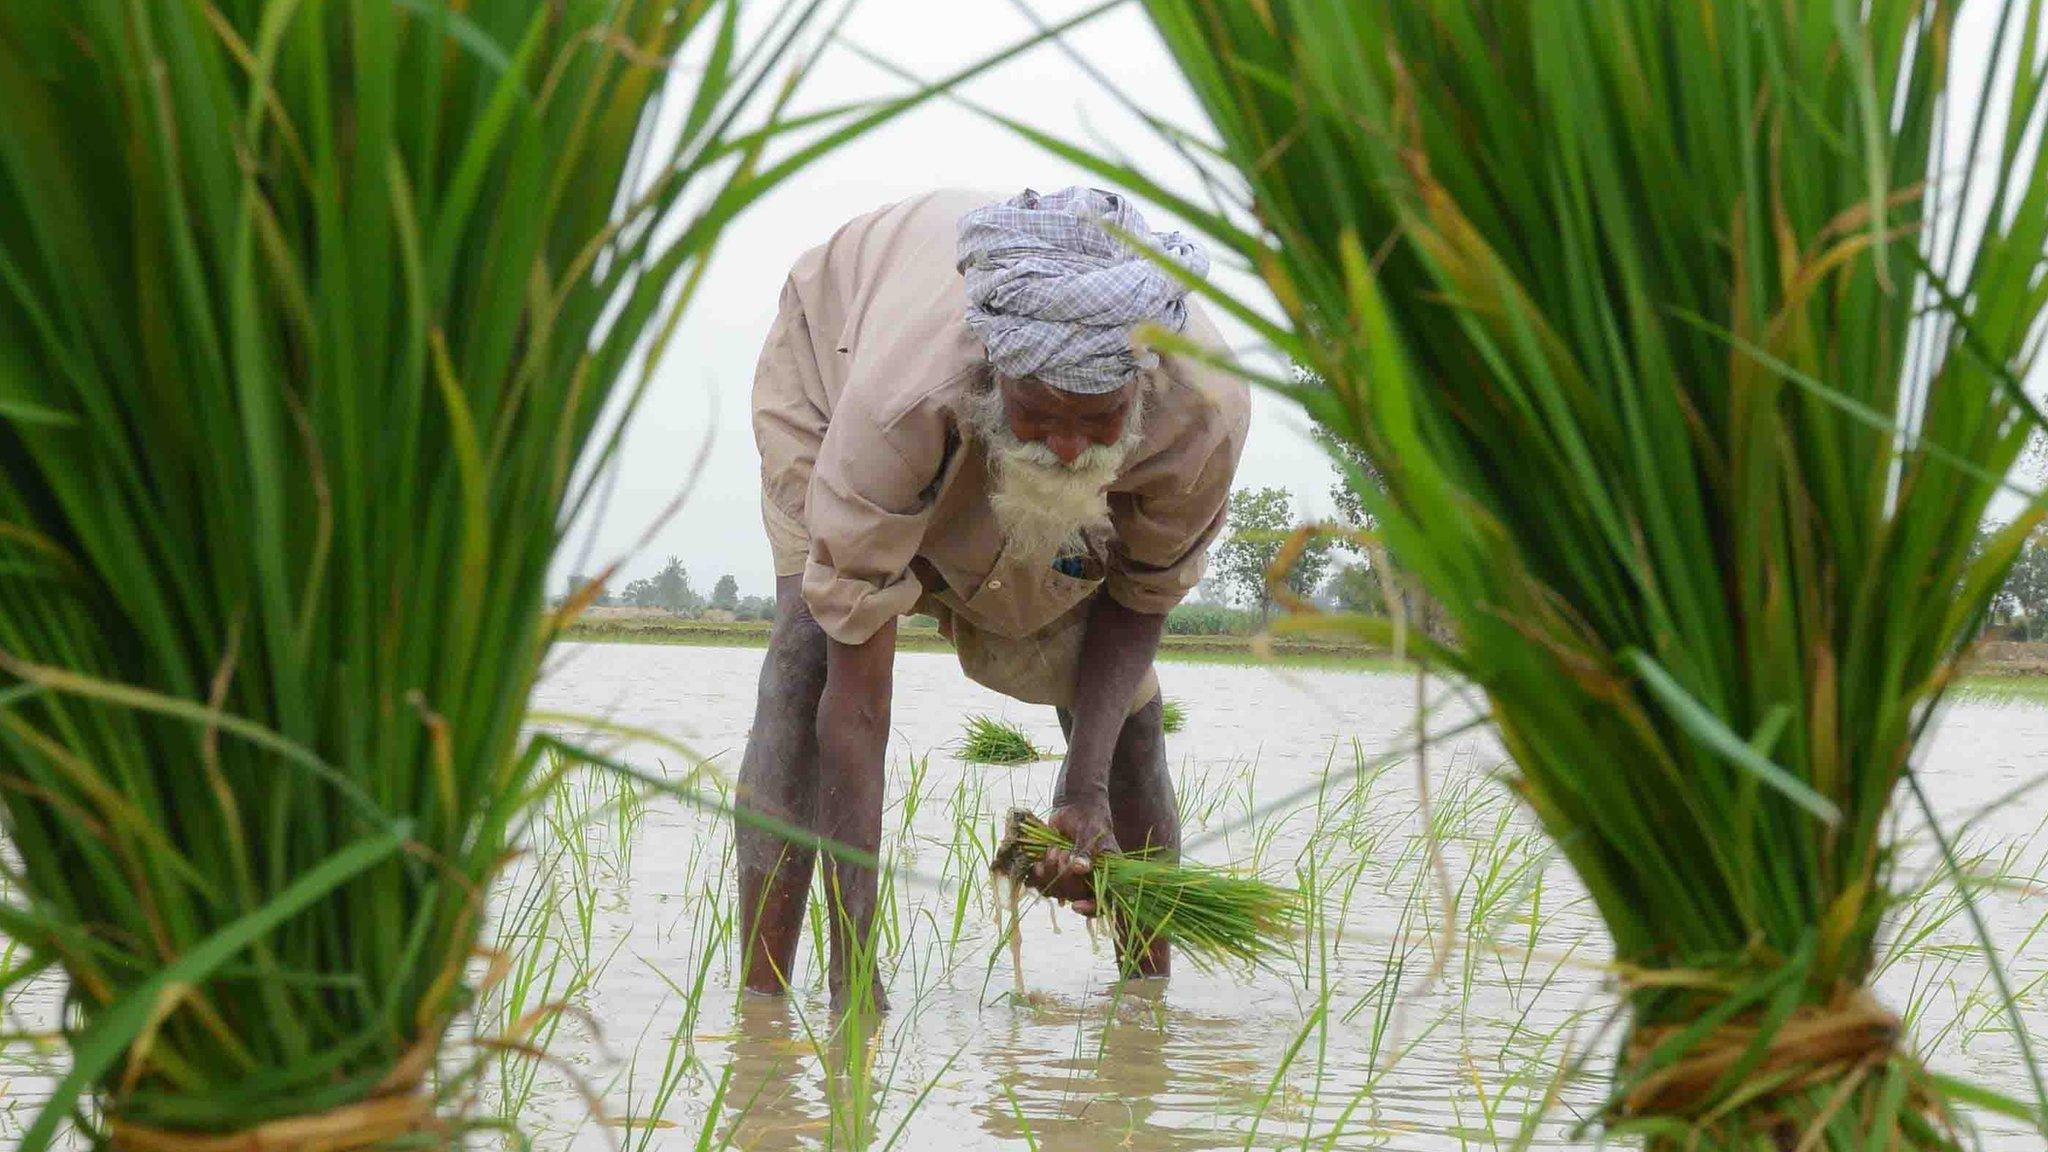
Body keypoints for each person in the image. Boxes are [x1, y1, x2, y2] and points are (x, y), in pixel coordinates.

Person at [738, 186, 1248, 1008]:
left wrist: (1080, 793)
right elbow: (858, 705)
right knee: (804, 668)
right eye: (1042, 415)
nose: (1070, 444)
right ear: (993, 372)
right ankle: (768, 1004)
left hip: (988, 422)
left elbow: (1141, 597)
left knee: (1131, 723)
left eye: (1098, 418)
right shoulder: (895, 404)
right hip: (835, 361)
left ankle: (1145, 1007)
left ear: (1142, 386)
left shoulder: (1202, 415)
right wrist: (854, 998)